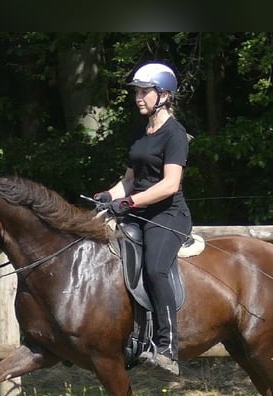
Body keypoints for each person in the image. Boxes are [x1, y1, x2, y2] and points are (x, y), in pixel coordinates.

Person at [94, 62, 193, 377]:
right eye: (136, 91)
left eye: (144, 91)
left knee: (155, 268)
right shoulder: (139, 131)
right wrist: (109, 196)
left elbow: (169, 184)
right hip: (136, 211)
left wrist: (129, 201)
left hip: (168, 215)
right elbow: (130, 178)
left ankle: (167, 347)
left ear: (163, 94)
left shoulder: (175, 134)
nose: (138, 97)